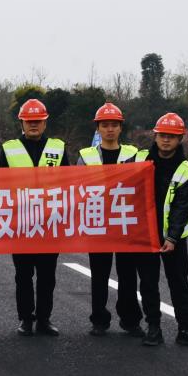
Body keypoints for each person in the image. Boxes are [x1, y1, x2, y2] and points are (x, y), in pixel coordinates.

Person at [135, 113, 188, 348]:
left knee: (178, 282)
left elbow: (182, 207)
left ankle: (185, 329)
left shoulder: (187, 170)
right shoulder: (138, 160)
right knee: (148, 283)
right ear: (155, 136)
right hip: (145, 234)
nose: (166, 140)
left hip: (173, 238)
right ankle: (153, 328)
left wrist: (172, 237)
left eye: (171, 137)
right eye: (162, 136)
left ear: (180, 139)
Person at [0, 98, 68, 337]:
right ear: (22, 123)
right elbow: (0, 185)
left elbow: (70, 183)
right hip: (21, 224)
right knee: (23, 276)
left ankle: (44, 319)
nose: (34, 125)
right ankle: (26, 318)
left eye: (38, 121)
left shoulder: (58, 148)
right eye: (29, 121)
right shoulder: (9, 149)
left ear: (45, 123)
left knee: (47, 276)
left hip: (50, 223)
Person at [76, 103, 144, 337]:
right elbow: (77, 187)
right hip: (98, 223)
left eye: (114, 125)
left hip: (125, 223)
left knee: (128, 275)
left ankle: (130, 320)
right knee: (100, 274)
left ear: (120, 127)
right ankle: (99, 320)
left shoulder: (133, 154)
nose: (110, 129)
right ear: (98, 128)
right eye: (105, 125)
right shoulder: (86, 156)